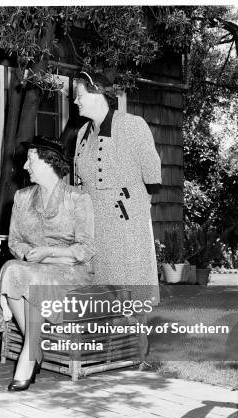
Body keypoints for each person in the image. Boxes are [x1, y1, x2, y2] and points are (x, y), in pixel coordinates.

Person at [0, 137, 95, 391]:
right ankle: (35, 348)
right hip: (34, 267)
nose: (25, 166)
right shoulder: (22, 197)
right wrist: (29, 255)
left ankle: (28, 358)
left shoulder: (77, 198)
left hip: (70, 271)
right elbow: (15, 241)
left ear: (49, 162)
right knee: (10, 270)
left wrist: (47, 254)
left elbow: (85, 249)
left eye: (31, 160)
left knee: (32, 278)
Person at [68, 71, 161, 305]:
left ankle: (135, 340)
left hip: (126, 228)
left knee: (128, 297)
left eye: (79, 95)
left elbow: (153, 179)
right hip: (93, 227)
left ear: (97, 94)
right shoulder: (82, 134)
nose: (75, 101)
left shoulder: (132, 125)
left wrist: (131, 209)